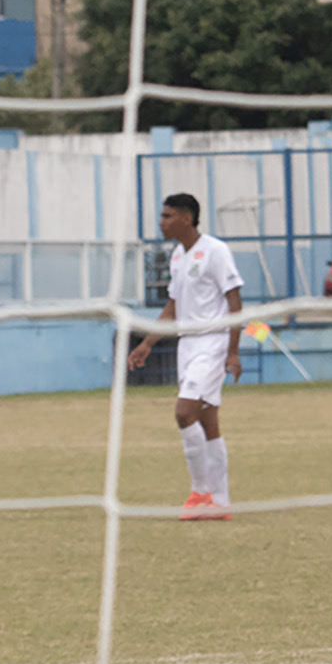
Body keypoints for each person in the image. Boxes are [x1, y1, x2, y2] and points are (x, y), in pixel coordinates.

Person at [126, 194, 243, 520]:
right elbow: (173, 305)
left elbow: (235, 302)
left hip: (213, 341)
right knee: (208, 422)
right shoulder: (178, 255)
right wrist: (147, 343)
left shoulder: (216, 251)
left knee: (183, 412)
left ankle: (199, 493)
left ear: (187, 218)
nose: (161, 222)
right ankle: (220, 502)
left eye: (167, 216)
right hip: (187, 345)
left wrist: (232, 351)